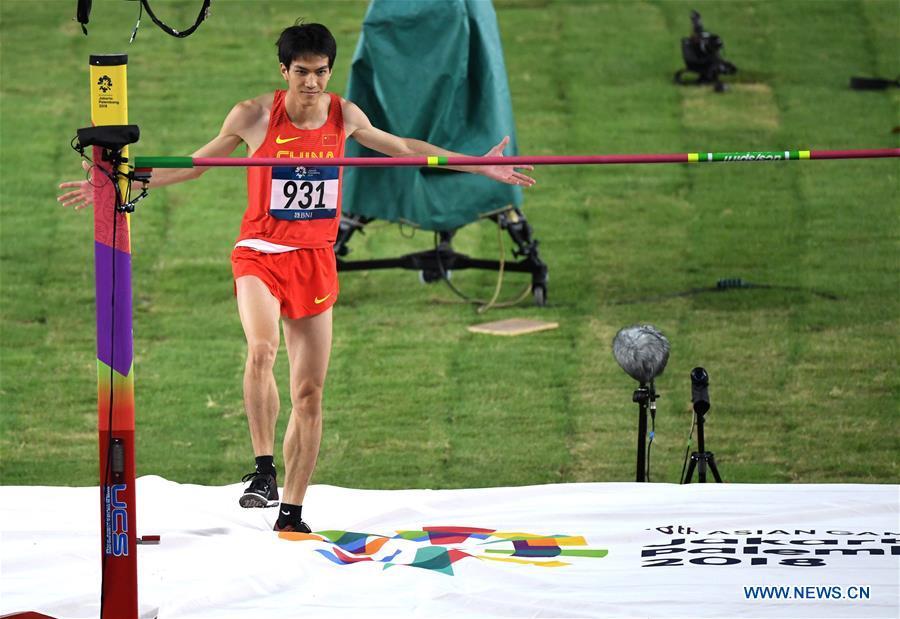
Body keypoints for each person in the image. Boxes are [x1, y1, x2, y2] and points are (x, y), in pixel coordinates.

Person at [58, 22, 535, 533]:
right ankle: (263, 469)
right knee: (262, 350)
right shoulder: (255, 115)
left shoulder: (343, 114)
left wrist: (479, 168)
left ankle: (292, 511)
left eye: (322, 73)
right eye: (303, 73)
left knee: (310, 394)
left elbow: (403, 148)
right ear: (284, 70)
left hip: (314, 260)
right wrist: (115, 183)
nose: (312, 83)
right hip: (260, 254)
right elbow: (197, 165)